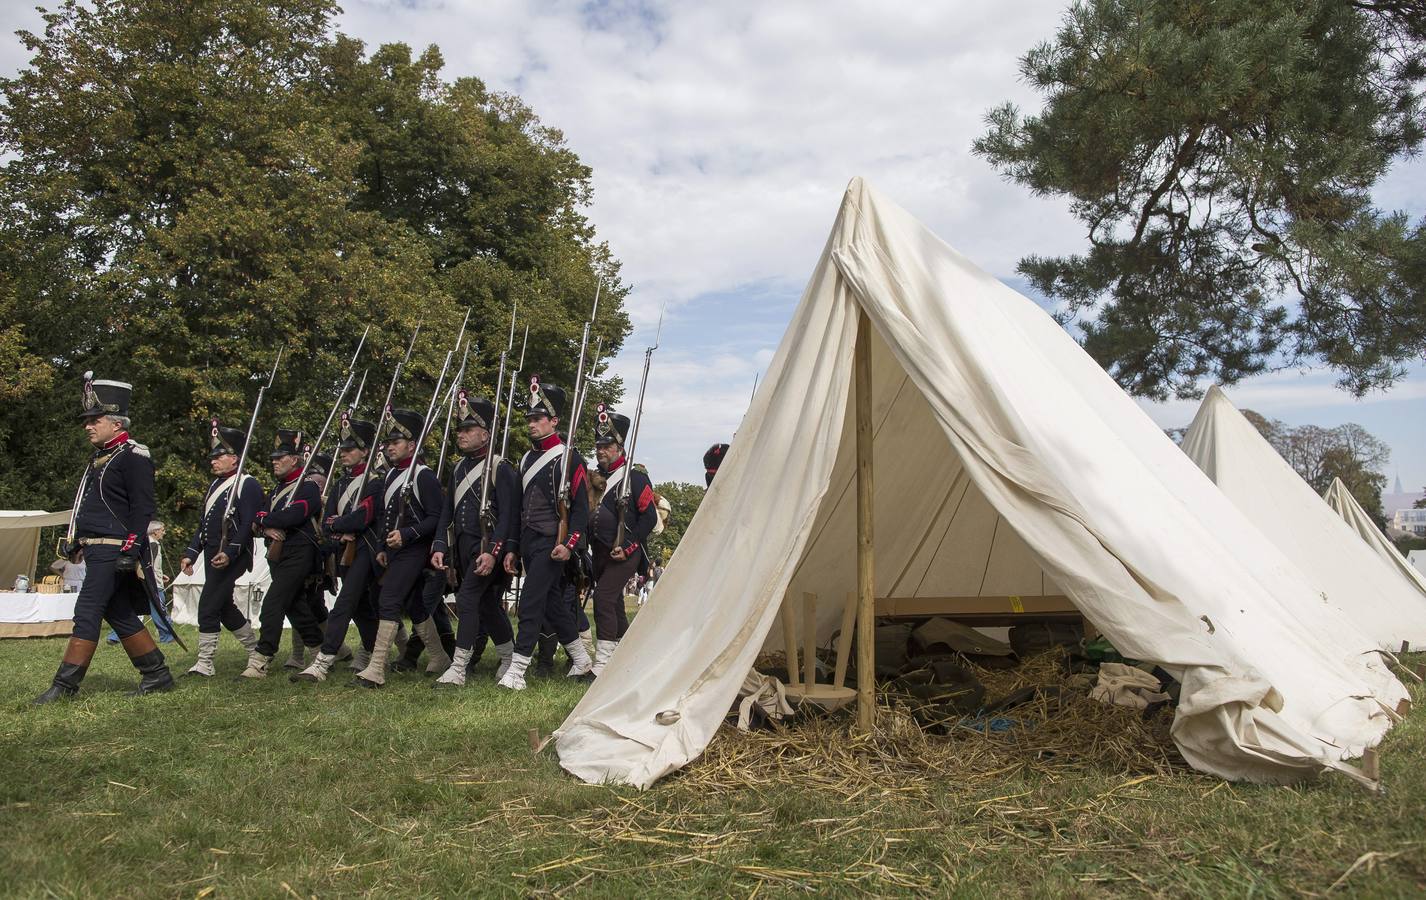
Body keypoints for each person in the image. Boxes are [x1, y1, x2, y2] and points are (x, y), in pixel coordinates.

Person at [34, 373, 175, 703]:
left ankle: (64, 687)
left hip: (115, 551)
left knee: (86, 613)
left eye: (94, 420)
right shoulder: (100, 458)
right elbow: (94, 505)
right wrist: (78, 538)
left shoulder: (133, 456)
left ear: (116, 422)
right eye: (87, 421)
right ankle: (157, 675)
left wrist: (131, 548)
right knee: (120, 614)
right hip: (96, 549)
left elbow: (143, 509)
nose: (87, 426)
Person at [497, 378, 594, 690]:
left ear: (554, 421)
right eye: (529, 419)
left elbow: (580, 510)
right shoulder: (526, 458)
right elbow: (516, 509)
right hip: (528, 541)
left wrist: (570, 544)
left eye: (538, 419)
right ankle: (581, 661)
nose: (532, 424)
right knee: (551, 602)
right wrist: (512, 547)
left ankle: (517, 670)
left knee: (530, 602)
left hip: (554, 543)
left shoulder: (570, 457)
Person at [351, 407, 446, 688]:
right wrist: (382, 545)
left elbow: (436, 518)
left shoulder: (424, 476)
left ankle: (376, 669)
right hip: (395, 550)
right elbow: (384, 517)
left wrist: (407, 534)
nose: (390, 447)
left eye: (396, 442)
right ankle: (439, 657)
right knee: (415, 605)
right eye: (388, 443)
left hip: (415, 549)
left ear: (412, 445)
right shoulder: (392, 476)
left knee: (389, 600)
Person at [431, 391, 519, 686]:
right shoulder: (458, 469)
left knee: (467, 598)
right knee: (486, 606)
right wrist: (440, 546)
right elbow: (447, 512)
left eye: (469, 429)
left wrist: (494, 551)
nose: (462, 435)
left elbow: (508, 516)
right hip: (464, 547)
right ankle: (508, 655)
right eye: (460, 429)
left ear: (485, 433)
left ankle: (458, 667)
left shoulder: (500, 466)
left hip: (488, 548)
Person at [237, 429, 328, 679]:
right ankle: (320, 651)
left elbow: (294, 516)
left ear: (295, 459)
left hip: (300, 552)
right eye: (274, 458)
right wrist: (266, 522)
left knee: (273, 603)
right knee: (294, 606)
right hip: (278, 555)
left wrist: (266, 520)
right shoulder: (277, 490)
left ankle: (261, 659)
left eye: (281, 458)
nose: (274, 462)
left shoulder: (307, 488)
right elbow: (257, 515)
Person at [292, 415, 375, 683]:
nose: (344, 454)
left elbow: (363, 518)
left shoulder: (374, 481)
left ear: (364, 452)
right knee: (361, 609)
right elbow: (327, 523)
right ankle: (374, 652)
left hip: (366, 550)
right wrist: (341, 527)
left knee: (344, 604)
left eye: (350, 449)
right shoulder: (339, 483)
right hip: (344, 551)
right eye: (342, 449)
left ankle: (323, 661)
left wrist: (341, 524)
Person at [179, 419, 265, 677]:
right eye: (213, 457)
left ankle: (205, 663)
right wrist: (191, 553)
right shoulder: (215, 485)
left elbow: (248, 523)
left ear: (235, 458)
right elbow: (204, 524)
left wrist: (229, 553)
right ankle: (255, 650)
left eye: (220, 456)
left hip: (233, 555)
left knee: (208, 605)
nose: (213, 461)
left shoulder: (247, 484)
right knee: (224, 606)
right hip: (212, 553)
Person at [588, 406, 658, 676]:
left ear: (619, 447)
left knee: (604, 599)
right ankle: (624, 654)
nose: (600, 451)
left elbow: (649, 518)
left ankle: (603, 664)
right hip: (601, 552)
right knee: (614, 601)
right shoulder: (596, 478)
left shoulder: (636, 476)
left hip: (626, 552)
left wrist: (629, 546)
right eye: (598, 446)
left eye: (606, 446)